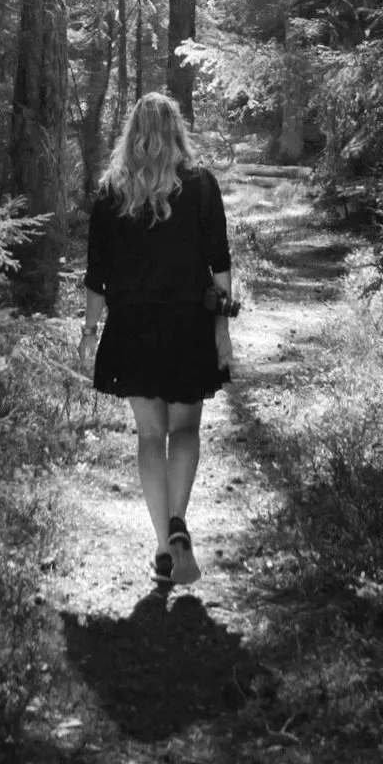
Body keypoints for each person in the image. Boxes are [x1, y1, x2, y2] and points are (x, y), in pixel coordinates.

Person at [79, 92, 236, 587]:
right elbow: (221, 268)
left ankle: (162, 545)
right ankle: (178, 523)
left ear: (131, 135)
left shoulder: (110, 193)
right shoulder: (202, 185)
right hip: (189, 324)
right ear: (177, 132)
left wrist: (88, 333)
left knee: (150, 436)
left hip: (132, 329)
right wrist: (222, 330)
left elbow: (97, 278)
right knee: (185, 430)